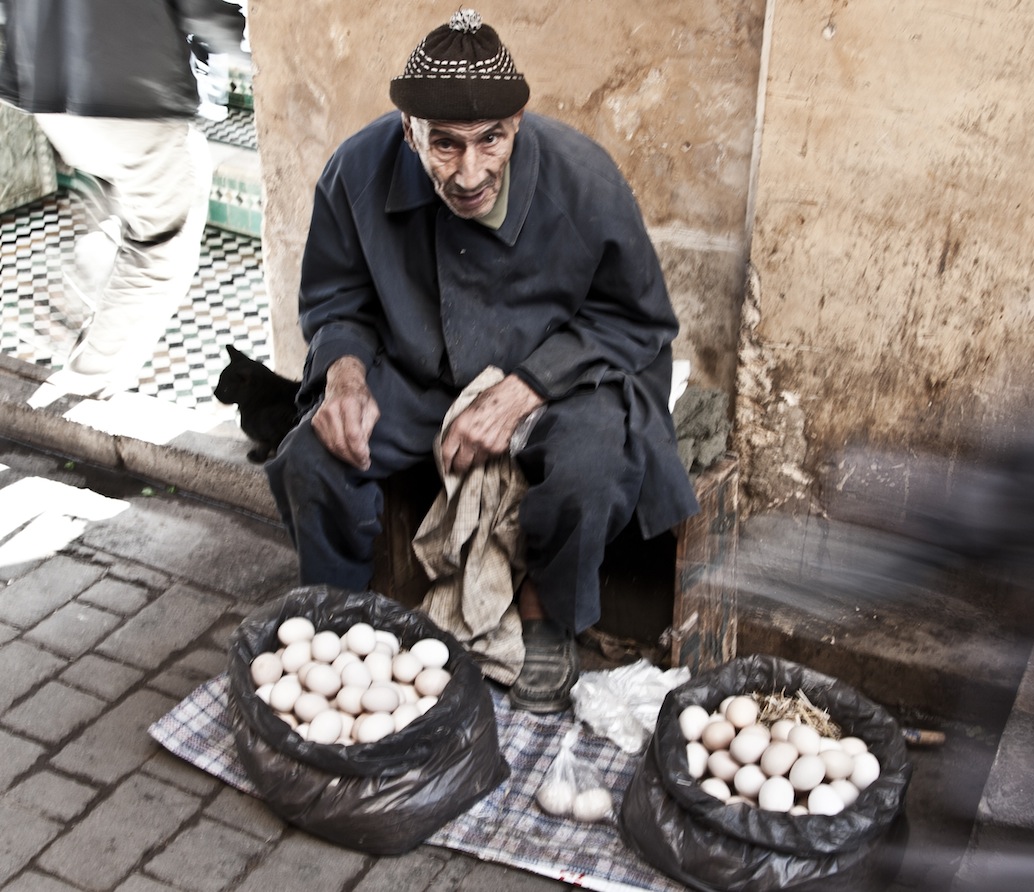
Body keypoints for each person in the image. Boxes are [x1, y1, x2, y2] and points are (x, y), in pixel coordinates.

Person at [266, 9, 699, 713]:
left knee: (593, 465)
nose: (470, 172)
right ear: (408, 130)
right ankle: (333, 620)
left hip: (564, 377)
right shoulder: (355, 170)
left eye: (490, 140)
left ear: (517, 123)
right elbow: (336, 296)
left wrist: (527, 387)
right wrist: (343, 372)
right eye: (445, 145)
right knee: (314, 452)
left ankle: (545, 614)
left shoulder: (583, 179)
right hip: (425, 373)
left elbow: (637, 320)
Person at [0, 0, 246, 395]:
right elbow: (204, 11)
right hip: (130, 96)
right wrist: (256, 44)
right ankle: (86, 380)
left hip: (46, 90)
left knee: (136, 200)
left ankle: (96, 266)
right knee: (161, 252)